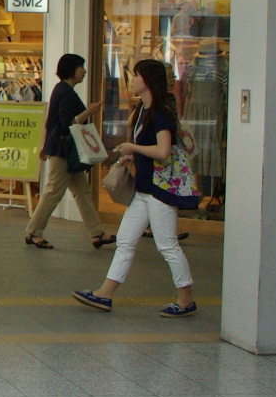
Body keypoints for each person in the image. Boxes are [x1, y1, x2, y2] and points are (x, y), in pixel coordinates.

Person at [73, 58, 197, 318]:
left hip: (160, 190)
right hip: (144, 188)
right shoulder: (143, 110)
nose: (132, 80)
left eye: (137, 76)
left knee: (167, 245)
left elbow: (163, 151)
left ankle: (186, 299)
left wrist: (134, 148)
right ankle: (105, 293)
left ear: (148, 81)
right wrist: (131, 154)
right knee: (126, 241)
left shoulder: (160, 113)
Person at [26, 53, 112, 250]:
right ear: (71, 69)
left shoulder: (62, 90)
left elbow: (52, 122)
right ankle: (33, 231)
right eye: (81, 67)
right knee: (55, 191)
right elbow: (68, 123)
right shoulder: (65, 92)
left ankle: (97, 233)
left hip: (64, 149)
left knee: (82, 191)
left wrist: (45, 145)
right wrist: (90, 111)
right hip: (63, 150)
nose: (84, 71)